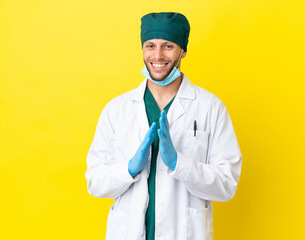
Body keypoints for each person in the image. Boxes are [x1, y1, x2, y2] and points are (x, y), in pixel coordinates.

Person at [85, 12, 242, 240]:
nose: (157, 55)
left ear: (183, 51)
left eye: (168, 46)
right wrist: (129, 169)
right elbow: (95, 182)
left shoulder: (210, 108)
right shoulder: (117, 109)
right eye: (150, 46)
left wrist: (180, 164)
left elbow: (227, 183)